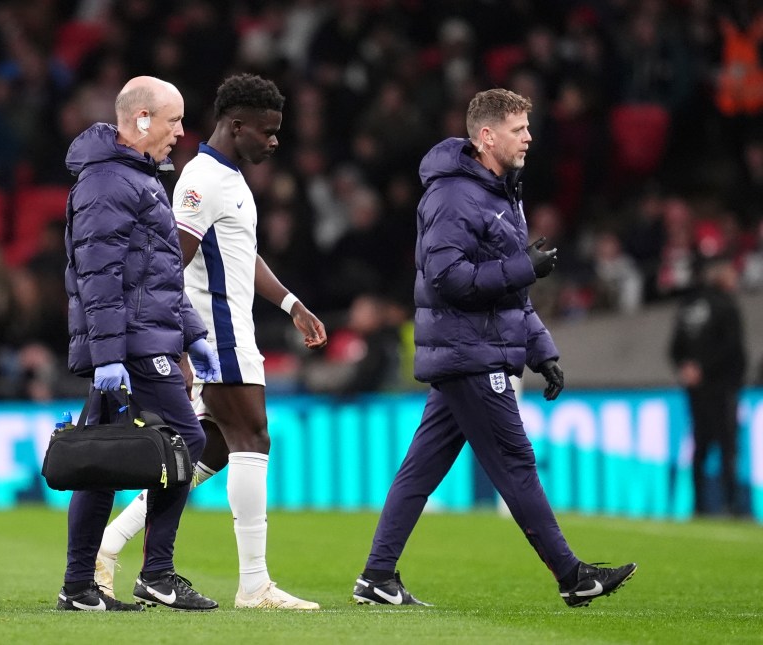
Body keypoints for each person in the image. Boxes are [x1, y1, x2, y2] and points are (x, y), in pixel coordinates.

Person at [352, 88, 637, 608]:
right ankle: (573, 576)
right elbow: (445, 278)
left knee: (421, 470)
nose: (529, 136)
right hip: (471, 352)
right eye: (518, 128)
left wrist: (540, 348)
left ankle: (377, 576)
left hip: (474, 349)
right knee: (516, 462)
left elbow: (508, 292)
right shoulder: (454, 196)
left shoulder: (500, 192)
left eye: (528, 127)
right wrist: (525, 266)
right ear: (487, 136)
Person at [95, 74, 328, 610]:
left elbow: (241, 255)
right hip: (215, 335)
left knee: (208, 453)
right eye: (267, 132)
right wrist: (172, 343)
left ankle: (112, 543)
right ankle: (254, 585)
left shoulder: (230, 178)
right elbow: (170, 262)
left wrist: (291, 304)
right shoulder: (201, 180)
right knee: (254, 438)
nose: (274, 141)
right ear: (236, 124)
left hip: (229, 331)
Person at [57, 75, 222, 612]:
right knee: (188, 441)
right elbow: (100, 276)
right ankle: (157, 573)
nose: (180, 131)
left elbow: (154, 272)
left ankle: (80, 587)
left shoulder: (134, 176)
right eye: (173, 119)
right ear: (143, 119)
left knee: (98, 463)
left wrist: (192, 335)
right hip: (128, 344)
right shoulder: (110, 182)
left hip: (136, 336)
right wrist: (107, 358)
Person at [669, 254, 747, 516]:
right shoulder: (726, 305)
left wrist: (688, 368)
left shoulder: (688, 305)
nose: (734, 277)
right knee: (727, 446)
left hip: (695, 388)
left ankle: (699, 506)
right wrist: (706, 369)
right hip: (721, 387)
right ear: (718, 274)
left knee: (700, 446)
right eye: (730, 272)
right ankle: (731, 505)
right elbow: (732, 348)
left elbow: (675, 348)